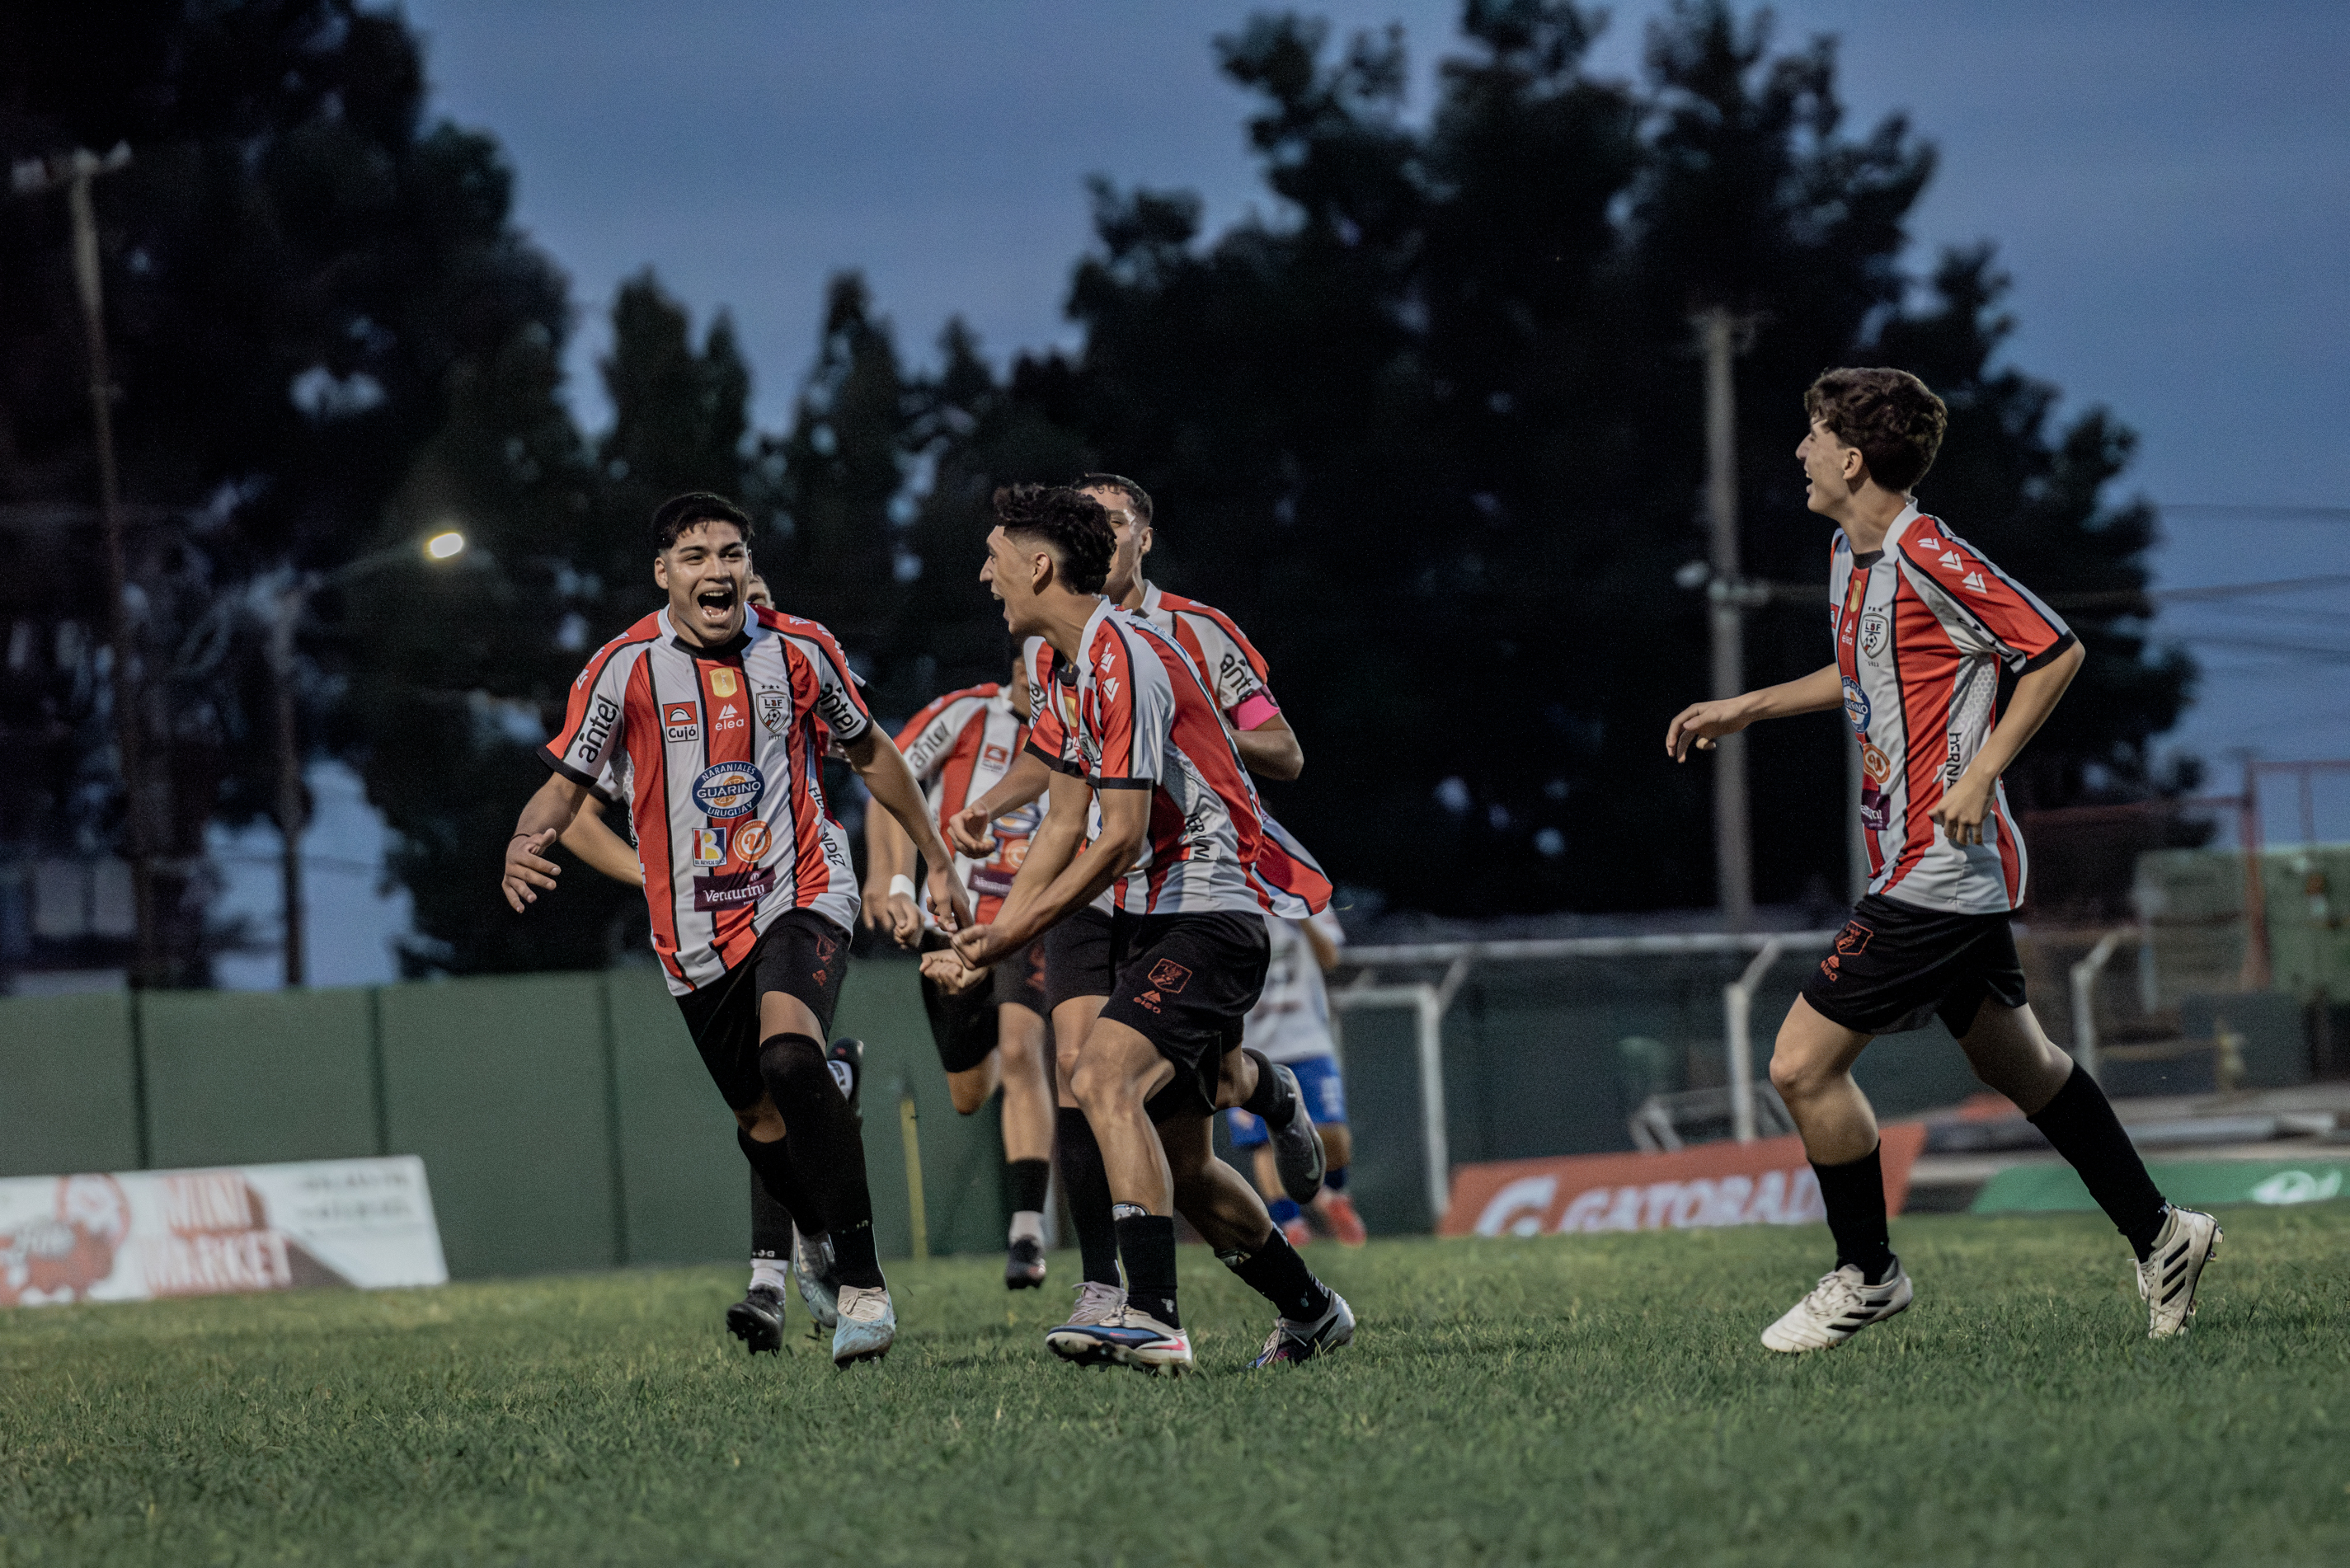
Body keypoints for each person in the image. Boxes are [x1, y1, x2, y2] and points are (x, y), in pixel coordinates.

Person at [1664, 368, 2220, 1351]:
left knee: (1800, 1066)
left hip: (1940, 865)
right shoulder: (1850, 555)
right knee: (2027, 1066)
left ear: (1848, 457)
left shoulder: (1926, 548)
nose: (1797, 452)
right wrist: (1744, 707)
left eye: (1811, 434)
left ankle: (1868, 1274)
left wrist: (1979, 775)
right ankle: (2163, 1232)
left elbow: (2052, 649)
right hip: (1916, 863)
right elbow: (1865, 670)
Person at [501, 491, 971, 1368]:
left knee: (788, 1055)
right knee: (759, 1118)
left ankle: (866, 1287)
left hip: (801, 885)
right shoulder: (622, 669)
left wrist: (934, 858)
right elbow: (566, 792)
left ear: (750, 568)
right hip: (692, 930)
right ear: (663, 574)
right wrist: (528, 840)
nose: (716, 572)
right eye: (695, 556)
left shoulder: (801, 650)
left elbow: (871, 753)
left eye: (730, 555)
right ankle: (817, 1246)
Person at [942, 484, 1352, 1375]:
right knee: (1186, 1165)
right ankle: (1312, 1311)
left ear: (1040, 565)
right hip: (1156, 915)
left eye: (995, 554)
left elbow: (1121, 836)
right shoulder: (1079, 661)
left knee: (1098, 1075)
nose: (985, 573)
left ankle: (1150, 1316)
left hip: (1205, 913)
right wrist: (995, 928)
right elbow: (1061, 818)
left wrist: (1013, 936)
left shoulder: (1128, 655)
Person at [862, 643, 1059, 1289]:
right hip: (949, 925)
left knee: (1025, 1049)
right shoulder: (966, 713)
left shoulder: (1081, 725)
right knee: (969, 1095)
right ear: (1014, 666)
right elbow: (884, 774)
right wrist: (893, 881)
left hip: (1027, 922)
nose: (1043, 679)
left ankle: (1028, 1231)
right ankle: (1006, 1067)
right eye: (1033, 666)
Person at [1224, 905, 1368, 1246]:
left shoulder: (1299, 883)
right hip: (1249, 1043)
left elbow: (1330, 956)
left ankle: (1334, 1197)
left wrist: (1300, 913)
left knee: (1333, 1133)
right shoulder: (1219, 893)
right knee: (1263, 1141)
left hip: (1307, 1038)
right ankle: (1290, 1225)